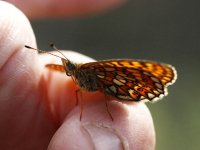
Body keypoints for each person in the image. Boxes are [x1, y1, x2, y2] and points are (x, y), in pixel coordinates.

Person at [0, 1, 155, 149]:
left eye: (69, 67)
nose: (68, 69)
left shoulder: (87, 71)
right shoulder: (73, 75)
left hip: (125, 89)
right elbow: (60, 73)